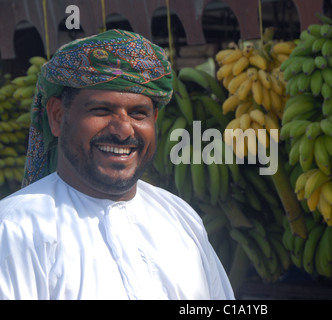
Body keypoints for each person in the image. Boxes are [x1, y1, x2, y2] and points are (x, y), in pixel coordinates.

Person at [0, 29, 235, 300]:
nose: (124, 131)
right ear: (57, 116)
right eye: (101, 110)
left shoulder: (181, 218)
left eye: (138, 114)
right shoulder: (15, 228)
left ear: (154, 120)